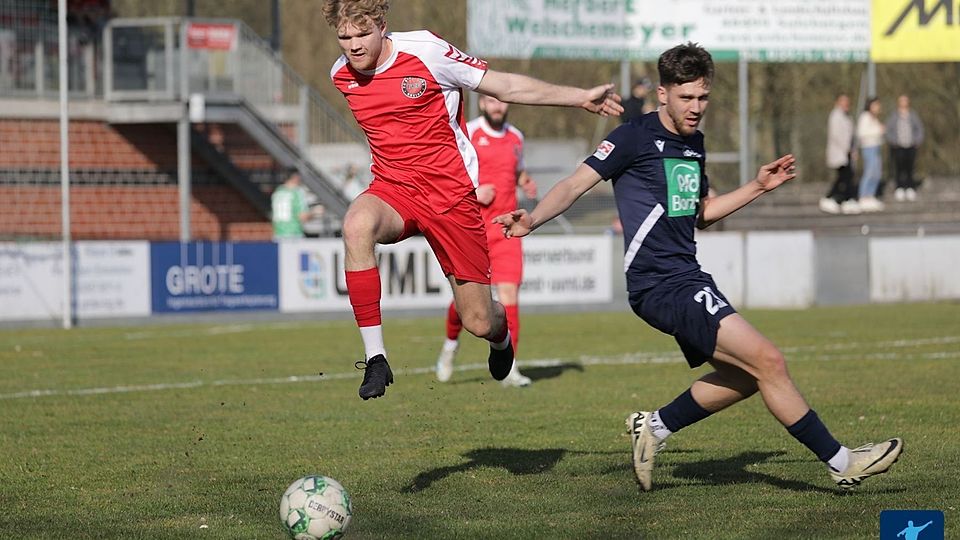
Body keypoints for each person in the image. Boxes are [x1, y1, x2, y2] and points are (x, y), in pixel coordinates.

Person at [494, 42, 902, 492]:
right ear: (664, 93)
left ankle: (656, 427)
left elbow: (701, 212)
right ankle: (842, 461)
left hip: (687, 276)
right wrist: (532, 218)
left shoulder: (695, 144)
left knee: (745, 378)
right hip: (658, 283)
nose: (695, 108)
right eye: (686, 97)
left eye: (703, 98)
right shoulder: (633, 136)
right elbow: (576, 182)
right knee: (770, 359)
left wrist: (757, 187)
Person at [322, 0, 622, 400]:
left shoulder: (427, 51)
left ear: (382, 25)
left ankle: (501, 339)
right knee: (356, 224)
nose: (353, 46)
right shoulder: (340, 75)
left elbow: (507, 86)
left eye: (362, 35)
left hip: (451, 198)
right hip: (394, 190)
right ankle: (376, 358)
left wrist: (579, 96)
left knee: (479, 321)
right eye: (344, 37)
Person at [435, 94, 537, 388]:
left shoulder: (516, 137)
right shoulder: (469, 131)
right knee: (468, 303)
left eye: (502, 102)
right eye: (492, 101)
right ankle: (450, 345)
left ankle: (510, 367)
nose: (498, 107)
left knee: (509, 297)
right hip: (473, 231)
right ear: (482, 104)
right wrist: (475, 191)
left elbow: (517, 171)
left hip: (507, 232)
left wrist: (525, 181)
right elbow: (447, 174)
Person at [819, 93, 860, 215]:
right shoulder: (836, 116)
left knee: (846, 177)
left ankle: (845, 199)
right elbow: (837, 135)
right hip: (840, 153)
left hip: (846, 152)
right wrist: (848, 149)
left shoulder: (847, 116)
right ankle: (831, 197)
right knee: (844, 177)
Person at [885, 94, 924, 202]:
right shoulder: (894, 115)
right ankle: (899, 187)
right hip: (898, 146)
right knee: (898, 167)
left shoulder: (913, 115)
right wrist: (893, 141)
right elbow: (888, 130)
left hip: (911, 146)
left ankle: (910, 187)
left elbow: (919, 129)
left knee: (910, 167)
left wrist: (917, 141)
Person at [856, 97, 886, 211]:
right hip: (868, 148)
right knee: (869, 171)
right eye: (876, 105)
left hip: (876, 147)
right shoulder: (865, 117)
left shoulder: (874, 118)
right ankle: (863, 196)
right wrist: (879, 130)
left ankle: (870, 195)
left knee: (877, 172)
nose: (878, 107)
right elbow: (861, 133)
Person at [271, 172, 311, 239]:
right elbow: (303, 217)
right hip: (293, 234)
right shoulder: (296, 192)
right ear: (295, 178)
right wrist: (315, 213)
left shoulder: (278, 191)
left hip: (278, 233)